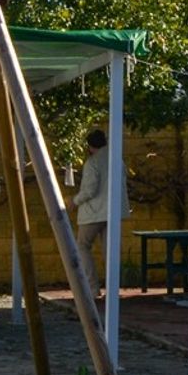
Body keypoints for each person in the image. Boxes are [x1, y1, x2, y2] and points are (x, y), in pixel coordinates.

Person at [73, 128, 114, 299]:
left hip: (94, 212)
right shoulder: (116, 159)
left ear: (90, 146)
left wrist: (73, 202)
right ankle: (111, 290)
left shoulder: (93, 162)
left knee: (82, 245)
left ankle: (92, 288)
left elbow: (89, 190)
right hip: (112, 211)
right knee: (109, 251)